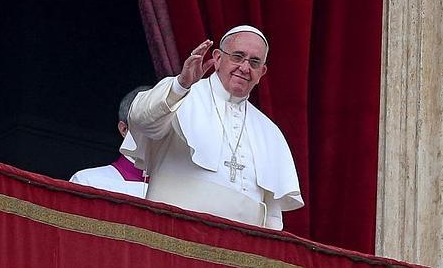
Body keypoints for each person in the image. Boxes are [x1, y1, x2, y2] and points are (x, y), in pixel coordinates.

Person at [120, 25, 303, 230]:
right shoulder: (181, 94)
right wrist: (181, 84)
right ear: (217, 58)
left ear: (262, 71)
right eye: (237, 56)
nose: (244, 67)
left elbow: (273, 215)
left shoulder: (270, 133)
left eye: (254, 62)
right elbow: (141, 120)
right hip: (172, 236)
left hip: (238, 253)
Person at [70, 85, 152, 198]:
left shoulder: (181, 193)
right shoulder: (89, 182)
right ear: (124, 129)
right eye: (149, 123)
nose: (159, 133)